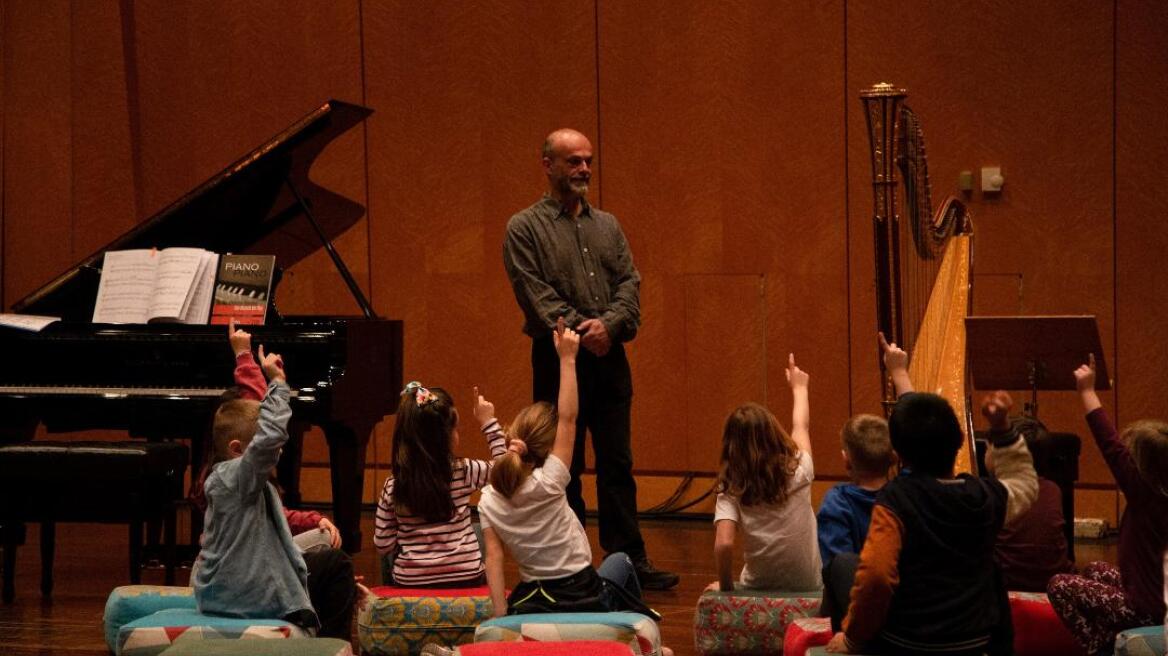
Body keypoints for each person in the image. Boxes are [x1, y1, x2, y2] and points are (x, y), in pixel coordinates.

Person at [502, 128, 677, 590]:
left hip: (610, 356)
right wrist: (588, 330)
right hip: (559, 359)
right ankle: (573, 560)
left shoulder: (608, 226)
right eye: (573, 161)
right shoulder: (524, 228)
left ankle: (629, 560)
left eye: (588, 161)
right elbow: (537, 296)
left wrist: (610, 327)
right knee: (564, 464)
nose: (584, 169)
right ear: (548, 165)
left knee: (618, 461)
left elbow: (630, 285)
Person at [825, 339, 1038, 655]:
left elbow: (877, 578)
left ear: (897, 455)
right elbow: (1023, 483)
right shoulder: (983, 496)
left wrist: (853, 639)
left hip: (907, 644)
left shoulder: (897, 499)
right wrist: (1002, 429)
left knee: (842, 566)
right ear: (961, 441)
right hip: (976, 643)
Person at [477, 320, 657, 623]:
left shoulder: (488, 500)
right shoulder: (551, 481)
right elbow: (569, 418)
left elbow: (493, 558)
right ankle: (632, 630)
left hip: (534, 601)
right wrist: (568, 359)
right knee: (621, 561)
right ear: (546, 450)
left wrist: (499, 618)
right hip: (583, 595)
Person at [193, 341, 357, 639]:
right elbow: (268, 436)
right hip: (244, 595)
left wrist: (252, 366)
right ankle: (330, 646)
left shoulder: (228, 477)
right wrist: (278, 383)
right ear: (236, 449)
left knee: (320, 554)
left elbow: (259, 422)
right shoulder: (234, 476)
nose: (277, 452)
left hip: (229, 586)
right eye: (264, 449)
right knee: (336, 565)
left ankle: (309, 621)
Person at [1046, 354, 1168, 655]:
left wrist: (1087, 391)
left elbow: (1109, 444)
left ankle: (1100, 646)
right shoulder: (1160, 492)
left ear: (1143, 468)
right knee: (1096, 569)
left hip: (1142, 607)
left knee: (1060, 584)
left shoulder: (1145, 494)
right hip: (1148, 595)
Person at [373, 381, 507, 587]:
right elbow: (505, 471)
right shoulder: (465, 470)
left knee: (389, 545)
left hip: (410, 580)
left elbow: (383, 545)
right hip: (466, 577)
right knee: (479, 529)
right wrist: (488, 422)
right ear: (446, 437)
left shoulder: (392, 486)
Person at [707, 354, 821, 594]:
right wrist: (799, 388)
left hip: (757, 587)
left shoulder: (731, 486)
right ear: (774, 433)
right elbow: (801, 426)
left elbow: (724, 544)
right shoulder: (800, 469)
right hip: (808, 584)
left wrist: (727, 590)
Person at [982, 390, 1073, 593]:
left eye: (989, 447)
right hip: (1052, 586)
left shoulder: (994, 493)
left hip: (1006, 587)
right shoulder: (1053, 489)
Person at [816, 414, 893, 630]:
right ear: (892, 458)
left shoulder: (836, 502)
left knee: (841, 565)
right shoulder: (904, 495)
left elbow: (836, 571)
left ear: (846, 459)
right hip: (898, 611)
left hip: (851, 616)